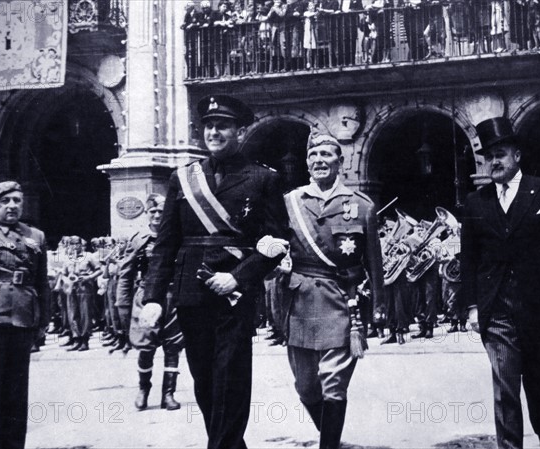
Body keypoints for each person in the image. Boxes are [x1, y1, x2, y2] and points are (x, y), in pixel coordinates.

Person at [141, 94, 288, 449]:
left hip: (234, 295)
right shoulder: (183, 178)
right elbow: (165, 244)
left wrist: (239, 276)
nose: (214, 132)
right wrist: (153, 297)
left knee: (230, 379)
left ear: (240, 130)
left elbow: (278, 240)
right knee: (205, 381)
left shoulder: (262, 178)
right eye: (208, 126)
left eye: (222, 125)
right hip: (191, 292)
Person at [461, 117, 540, 449]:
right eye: (488, 156)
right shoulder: (475, 202)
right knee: (505, 387)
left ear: (517, 156)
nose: (493, 162)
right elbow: (468, 258)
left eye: (500, 154)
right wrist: (471, 307)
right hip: (496, 308)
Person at [281, 133, 385, 448]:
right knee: (306, 387)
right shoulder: (291, 203)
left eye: (327, 154)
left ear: (340, 162)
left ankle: (328, 445)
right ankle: (332, 438)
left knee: (334, 385)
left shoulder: (361, 206)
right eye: (313, 155)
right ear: (307, 163)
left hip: (343, 302)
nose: (319, 160)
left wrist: (379, 305)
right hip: (300, 302)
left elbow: (374, 261)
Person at [0, 181, 50, 449]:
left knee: (15, 391)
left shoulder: (35, 236)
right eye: (5, 201)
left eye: (17, 201)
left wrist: (42, 322)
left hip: (23, 319)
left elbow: (42, 283)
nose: (12, 206)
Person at [116, 194, 184, 411]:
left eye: (160, 211)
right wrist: (123, 305)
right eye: (152, 211)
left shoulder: (179, 237)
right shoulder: (139, 239)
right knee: (146, 346)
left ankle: (168, 394)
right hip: (146, 296)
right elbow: (126, 274)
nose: (156, 215)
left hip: (173, 296)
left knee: (173, 346)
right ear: (146, 214)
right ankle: (143, 389)